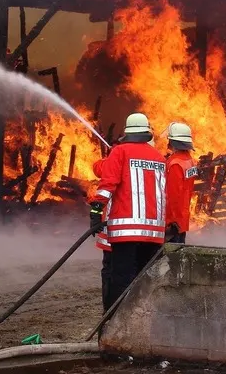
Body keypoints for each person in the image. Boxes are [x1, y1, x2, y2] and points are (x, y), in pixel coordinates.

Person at [89, 113, 166, 311]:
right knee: (144, 280)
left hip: (126, 229)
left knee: (121, 280)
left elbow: (108, 183)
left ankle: (117, 323)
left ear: (128, 133)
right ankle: (141, 323)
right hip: (154, 232)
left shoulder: (120, 152)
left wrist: (96, 209)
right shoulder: (159, 157)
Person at [162, 122, 197, 244]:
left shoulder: (175, 164)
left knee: (167, 259)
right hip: (182, 218)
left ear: (173, 142)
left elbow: (173, 196)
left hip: (173, 223)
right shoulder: (189, 161)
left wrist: (170, 223)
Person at [91, 156, 112, 313]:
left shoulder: (115, 161)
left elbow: (99, 168)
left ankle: (109, 312)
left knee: (110, 271)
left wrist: (95, 211)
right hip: (147, 233)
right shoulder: (158, 161)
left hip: (115, 231)